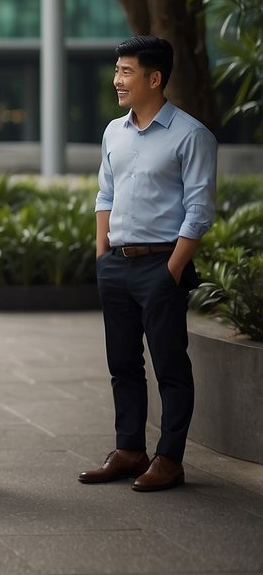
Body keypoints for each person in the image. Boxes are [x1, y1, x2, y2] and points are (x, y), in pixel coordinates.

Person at [79, 35, 217, 492]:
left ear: (154, 78)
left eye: (126, 71)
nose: (116, 80)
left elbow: (199, 210)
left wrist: (172, 270)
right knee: (122, 364)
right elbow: (106, 194)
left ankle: (170, 459)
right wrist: (103, 256)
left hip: (162, 265)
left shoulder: (191, 135)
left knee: (170, 366)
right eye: (117, 70)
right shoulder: (113, 132)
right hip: (117, 265)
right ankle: (129, 449)